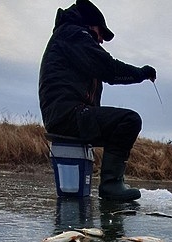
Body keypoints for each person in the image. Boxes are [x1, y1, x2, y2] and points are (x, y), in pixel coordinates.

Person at [39, 0, 156, 202]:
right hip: (68, 115)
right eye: (101, 33)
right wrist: (141, 73)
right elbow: (108, 68)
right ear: (91, 26)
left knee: (117, 126)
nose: (101, 40)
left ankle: (114, 182)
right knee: (129, 120)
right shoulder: (74, 35)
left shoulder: (69, 37)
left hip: (67, 114)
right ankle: (111, 186)